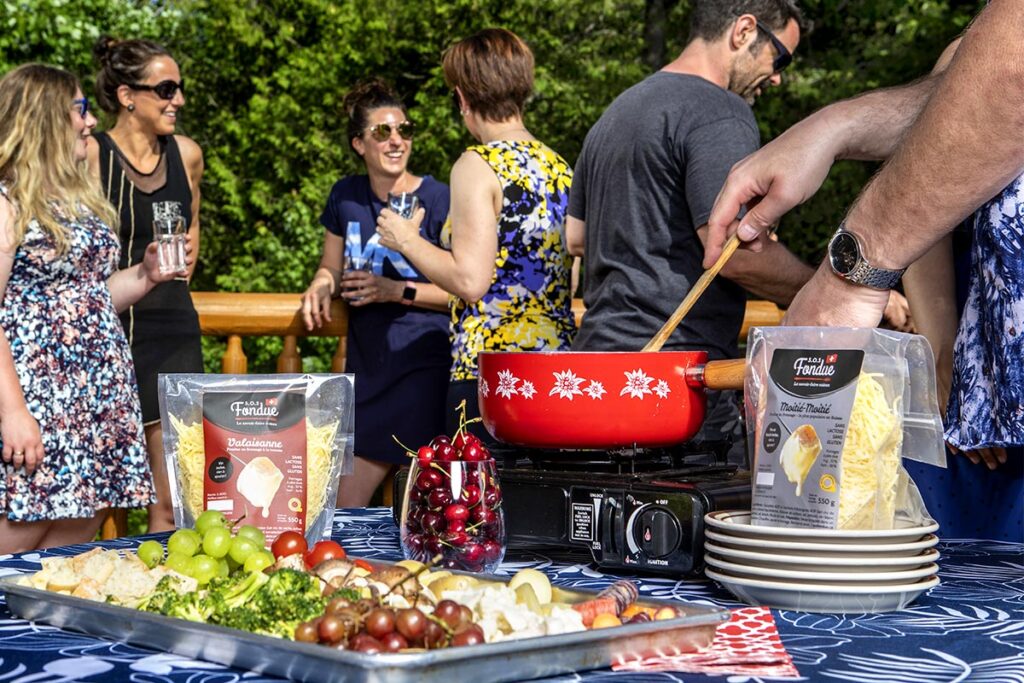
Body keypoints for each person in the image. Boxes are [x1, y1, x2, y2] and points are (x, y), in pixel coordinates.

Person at [704, 4, 1023, 540]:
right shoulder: (972, 46)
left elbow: (1011, 72)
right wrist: (942, 353)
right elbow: (966, 102)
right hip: (973, 416)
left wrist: (850, 275)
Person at [566, 0, 814, 453]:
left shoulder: (615, 113)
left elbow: (576, 238)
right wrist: (829, 288)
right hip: (677, 388)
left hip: (595, 376)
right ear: (743, 31)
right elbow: (732, 254)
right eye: (779, 57)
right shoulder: (720, 111)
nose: (777, 77)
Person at [0, 63, 192, 553]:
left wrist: (146, 273)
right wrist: (14, 413)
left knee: (66, 555)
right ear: (45, 118)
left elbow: (90, 296)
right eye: (79, 109)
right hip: (37, 399)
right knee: (17, 543)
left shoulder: (73, 197)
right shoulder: (6, 203)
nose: (89, 122)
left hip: (93, 401)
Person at [377, 28, 577, 443]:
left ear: (463, 98)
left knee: (482, 488)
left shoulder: (477, 165)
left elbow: (470, 280)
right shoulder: (559, 166)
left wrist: (406, 238)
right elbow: (569, 278)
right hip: (558, 374)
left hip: (492, 378)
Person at [301, 79, 451, 507]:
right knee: (341, 508)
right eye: (382, 132)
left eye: (405, 129)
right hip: (367, 370)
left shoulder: (439, 198)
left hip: (423, 367)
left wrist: (395, 291)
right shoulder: (345, 196)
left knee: (424, 507)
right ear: (358, 143)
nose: (396, 140)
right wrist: (321, 284)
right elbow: (331, 266)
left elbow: (462, 291)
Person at [87, 37, 204, 532]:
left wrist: (184, 259)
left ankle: (161, 582)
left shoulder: (187, 154)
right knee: (89, 500)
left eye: (179, 88)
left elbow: (192, 226)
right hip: (104, 336)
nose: (178, 100)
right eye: (166, 89)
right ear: (127, 96)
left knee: (173, 500)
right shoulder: (90, 154)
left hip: (173, 332)